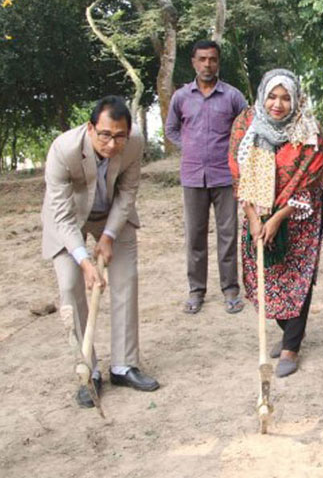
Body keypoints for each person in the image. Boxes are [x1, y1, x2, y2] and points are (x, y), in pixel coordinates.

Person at [41, 96, 159, 409]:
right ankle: (88, 372)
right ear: (91, 128)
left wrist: (108, 236)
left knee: (125, 280)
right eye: (105, 135)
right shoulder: (63, 150)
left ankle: (123, 366)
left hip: (113, 216)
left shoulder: (133, 145)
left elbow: (127, 193)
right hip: (69, 221)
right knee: (70, 286)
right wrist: (84, 260)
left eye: (119, 136)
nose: (111, 143)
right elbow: (62, 217)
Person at [228, 69, 323, 377]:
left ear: (296, 100)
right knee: (266, 272)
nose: (278, 104)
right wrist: (254, 218)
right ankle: (288, 328)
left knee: (297, 276)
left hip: (300, 214)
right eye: (272, 97)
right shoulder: (245, 125)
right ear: (262, 96)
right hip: (256, 210)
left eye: (286, 98)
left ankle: (291, 345)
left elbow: (309, 179)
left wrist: (276, 218)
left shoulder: (308, 129)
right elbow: (237, 170)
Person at [166, 40, 249, 314]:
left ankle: (230, 290)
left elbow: (247, 128)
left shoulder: (233, 97)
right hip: (192, 176)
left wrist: (233, 155)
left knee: (228, 234)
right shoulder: (181, 97)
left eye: (212, 59)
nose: (207, 64)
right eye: (202, 59)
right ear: (193, 62)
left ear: (218, 62)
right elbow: (172, 129)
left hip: (226, 176)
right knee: (195, 236)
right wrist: (189, 146)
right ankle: (196, 291)